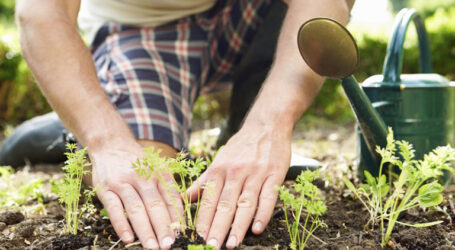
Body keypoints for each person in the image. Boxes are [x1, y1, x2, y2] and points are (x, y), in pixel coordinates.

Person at [12, 0, 354, 249]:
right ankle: (85, 118)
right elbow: (40, 13)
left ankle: (244, 128)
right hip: (143, 28)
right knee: (149, 175)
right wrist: (106, 141)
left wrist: (268, 127)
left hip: (252, 12)